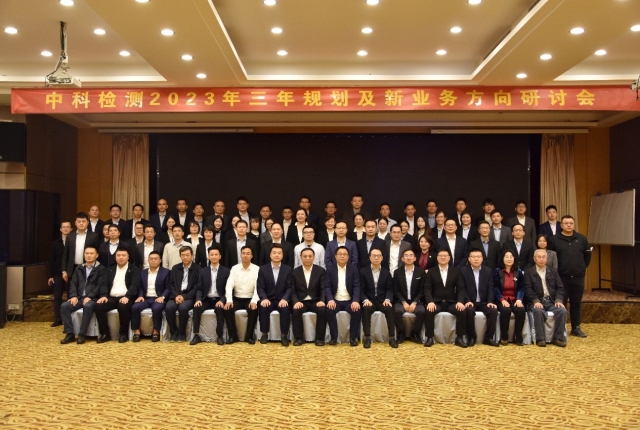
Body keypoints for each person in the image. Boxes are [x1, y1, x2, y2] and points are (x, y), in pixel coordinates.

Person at [552, 215, 591, 338]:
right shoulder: (554, 239)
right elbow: (551, 257)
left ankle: (576, 327)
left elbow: (587, 256)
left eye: (571, 223)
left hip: (578, 277)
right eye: (566, 223)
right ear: (561, 225)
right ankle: (561, 328)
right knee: (561, 303)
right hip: (561, 277)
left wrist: (581, 267)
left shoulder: (581, 239)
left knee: (576, 303)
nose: (569, 225)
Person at [60, 246, 108, 344]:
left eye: (91, 253)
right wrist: (73, 296)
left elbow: (100, 285)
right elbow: (73, 283)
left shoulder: (101, 269)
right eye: (87, 253)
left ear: (97, 255)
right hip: (79, 297)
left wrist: (90, 296)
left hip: (93, 298)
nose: (89, 255)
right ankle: (70, 333)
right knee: (64, 306)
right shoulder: (79, 268)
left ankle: (82, 334)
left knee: (88, 306)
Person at [423, 249, 468, 348]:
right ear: (437, 258)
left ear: (449, 258)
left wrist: (460, 301)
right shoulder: (431, 271)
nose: (443, 257)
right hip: (436, 302)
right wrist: (430, 301)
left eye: (445, 255)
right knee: (429, 311)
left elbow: (461, 288)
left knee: (462, 310)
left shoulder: (455, 271)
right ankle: (429, 338)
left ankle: (459, 338)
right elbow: (427, 288)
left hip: (451, 302)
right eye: (440, 255)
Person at [95, 247, 141, 343]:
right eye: (118, 255)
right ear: (115, 257)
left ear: (128, 257)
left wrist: (127, 296)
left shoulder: (134, 269)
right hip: (111, 297)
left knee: (123, 306)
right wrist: (103, 295)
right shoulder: (110, 270)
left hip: (127, 297)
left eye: (123, 255)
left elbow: (135, 285)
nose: (121, 257)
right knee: (99, 306)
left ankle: (123, 334)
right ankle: (105, 334)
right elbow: (104, 284)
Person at [524, 249, 568, 347]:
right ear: (534, 259)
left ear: (547, 259)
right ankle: (540, 339)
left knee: (562, 311)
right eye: (539, 257)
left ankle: (558, 338)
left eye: (543, 257)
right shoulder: (529, 272)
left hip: (551, 301)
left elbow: (560, 288)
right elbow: (528, 289)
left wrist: (558, 300)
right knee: (538, 311)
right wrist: (535, 301)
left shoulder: (553, 271)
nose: (541, 259)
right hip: (537, 301)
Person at [191, 246, 230, 345]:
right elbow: (199, 288)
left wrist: (222, 300)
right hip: (206, 299)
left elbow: (228, 289)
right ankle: (196, 335)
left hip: (219, 298)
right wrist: (198, 299)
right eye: (212, 255)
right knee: (197, 307)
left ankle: (219, 336)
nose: (214, 257)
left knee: (220, 309)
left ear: (220, 256)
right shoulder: (203, 271)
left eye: (216, 254)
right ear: (208, 256)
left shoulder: (226, 271)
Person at [460, 249, 499, 347]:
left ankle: (488, 338)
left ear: (482, 259)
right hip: (470, 301)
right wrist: (467, 300)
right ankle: (471, 337)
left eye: (478, 257)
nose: (476, 259)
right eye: (473, 257)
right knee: (468, 310)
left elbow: (491, 288)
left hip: (484, 302)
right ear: (469, 259)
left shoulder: (488, 271)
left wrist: (490, 301)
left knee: (493, 310)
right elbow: (462, 288)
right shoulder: (463, 271)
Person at [360, 248, 397, 348]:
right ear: (370, 257)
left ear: (382, 258)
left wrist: (387, 299)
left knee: (389, 309)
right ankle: (367, 338)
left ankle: (392, 338)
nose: (376, 258)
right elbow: (361, 289)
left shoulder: (386, 272)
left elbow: (390, 289)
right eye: (374, 256)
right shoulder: (363, 272)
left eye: (378, 256)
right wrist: (365, 300)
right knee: (366, 309)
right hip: (369, 300)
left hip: (382, 301)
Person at [325, 246, 361, 346]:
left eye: (344, 254)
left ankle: (353, 338)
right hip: (335, 300)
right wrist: (330, 300)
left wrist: (355, 301)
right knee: (329, 310)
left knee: (357, 310)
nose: (342, 256)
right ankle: (333, 338)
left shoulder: (353, 269)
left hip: (349, 301)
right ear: (335, 256)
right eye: (340, 254)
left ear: (348, 257)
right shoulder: (330, 269)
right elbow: (327, 286)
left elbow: (356, 286)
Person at [257, 244, 293, 347]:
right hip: (268, 299)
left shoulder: (288, 269)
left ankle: (284, 336)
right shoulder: (263, 269)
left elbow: (290, 287)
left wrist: (285, 299)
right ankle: (264, 334)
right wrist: (264, 298)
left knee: (285, 309)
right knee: (263, 307)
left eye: (279, 253)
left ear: (282, 255)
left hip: (282, 299)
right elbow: (260, 287)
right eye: (274, 253)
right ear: (270, 255)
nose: (276, 255)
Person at [223, 246, 260, 344]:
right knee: (227, 309)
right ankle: (233, 336)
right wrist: (229, 300)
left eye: (248, 253)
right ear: (240, 255)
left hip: (250, 298)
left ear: (252, 256)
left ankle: (249, 337)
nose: (245, 255)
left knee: (254, 309)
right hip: (237, 298)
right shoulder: (234, 268)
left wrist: (254, 301)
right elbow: (229, 285)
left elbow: (258, 287)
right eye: (243, 253)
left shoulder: (256, 269)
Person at [131, 251, 170, 342]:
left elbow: (168, 288)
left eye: (155, 259)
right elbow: (140, 286)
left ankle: (156, 331)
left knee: (156, 308)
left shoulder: (166, 272)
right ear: (148, 260)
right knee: (135, 307)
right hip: (145, 298)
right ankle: (136, 331)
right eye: (151, 259)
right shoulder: (142, 272)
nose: (153, 260)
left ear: (160, 260)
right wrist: (140, 295)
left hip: (158, 298)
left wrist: (163, 297)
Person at [291, 248, 327, 346]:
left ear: (314, 257)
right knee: (296, 310)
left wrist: (322, 300)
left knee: (322, 310)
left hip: (316, 301)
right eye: (305, 256)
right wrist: (295, 302)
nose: (307, 258)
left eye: (310, 256)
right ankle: (299, 338)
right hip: (301, 301)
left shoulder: (320, 271)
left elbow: (323, 288)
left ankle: (319, 339)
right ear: (301, 257)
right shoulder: (295, 272)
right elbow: (292, 290)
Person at [165, 246, 199, 342]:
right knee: (169, 307)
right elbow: (171, 285)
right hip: (175, 295)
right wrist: (176, 296)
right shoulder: (175, 268)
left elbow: (196, 287)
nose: (185, 257)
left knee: (183, 308)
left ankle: (181, 333)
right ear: (180, 256)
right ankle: (173, 332)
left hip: (189, 296)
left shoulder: (197, 269)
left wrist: (184, 297)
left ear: (192, 255)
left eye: (187, 255)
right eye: (183, 255)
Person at [493, 249, 526, 346]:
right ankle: (504, 336)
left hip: (514, 298)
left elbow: (521, 287)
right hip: (501, 299)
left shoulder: (518, 271)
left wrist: (519, 299)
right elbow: (495, 287)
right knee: (505, 310)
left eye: (511, 257)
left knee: (521, 310)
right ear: (502, 259)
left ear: (514, 258)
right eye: (506, 257)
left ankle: (518, 335)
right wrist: (501, 299)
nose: (509, 259)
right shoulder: (497, 271)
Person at [393, 249, 425, 345]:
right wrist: (403, 302)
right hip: (401, 300)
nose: (409, 257)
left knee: (421, 311)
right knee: (397, 311)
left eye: (411, 255)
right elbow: (396, 290)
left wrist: (415, 302)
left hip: (417, 301)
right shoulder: (397, 272)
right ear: (402, 259)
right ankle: (401, 333)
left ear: (415, 258)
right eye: (406, 255)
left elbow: (422, 290)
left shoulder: (421, 272)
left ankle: (415, 333)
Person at [62, 212, 99, 283]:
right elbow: (65, 254)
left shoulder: (94, 236)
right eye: (79, 221)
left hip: (88, 268)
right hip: (72, 269)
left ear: (87, 223)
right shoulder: (70, 236)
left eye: (83, 221)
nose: (81, 223)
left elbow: (97, 253)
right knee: (72, 288)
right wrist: (64, 271)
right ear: (75, 223)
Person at [49, 221, 72, 327]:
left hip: (70, 274)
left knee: (71, 296)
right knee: (57, 296)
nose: (66, 229)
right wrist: (50, 275)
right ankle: (58, 319)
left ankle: (70, 319)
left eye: (68, 227)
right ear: (60, 229)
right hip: (57, 274)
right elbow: (51, 260)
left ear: (71, 229)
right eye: (64, 227)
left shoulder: (73, 242)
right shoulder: (55, 243)